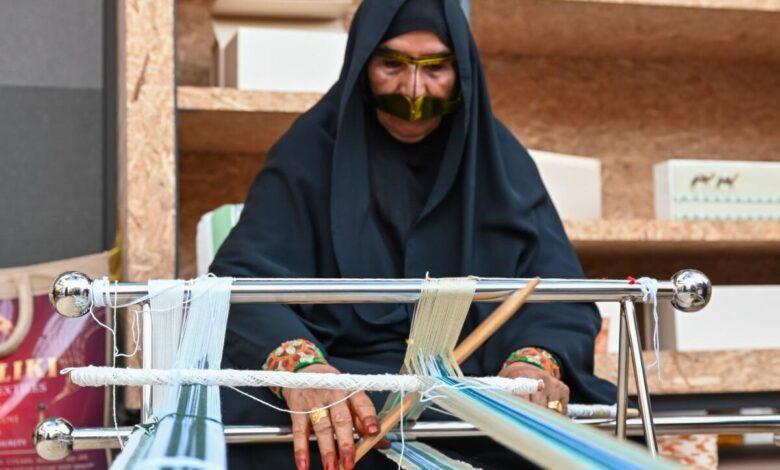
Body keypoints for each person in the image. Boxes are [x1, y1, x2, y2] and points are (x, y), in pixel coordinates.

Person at [211, 1, 615, 469]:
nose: (414, 91)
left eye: (436, 68)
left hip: (477, 400)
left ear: (462, 70)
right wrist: (305, 371)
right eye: (392, 65)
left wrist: (530, 365)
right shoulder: (308, 152)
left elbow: (560, 293)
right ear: (362, 64)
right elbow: (240, 282)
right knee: (262, 429)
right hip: (347, 387)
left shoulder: (499, 162)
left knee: (590, 440)